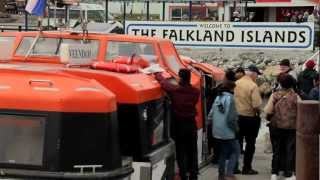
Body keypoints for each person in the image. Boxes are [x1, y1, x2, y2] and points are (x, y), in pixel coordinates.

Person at [155, 68, 200, 180]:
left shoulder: (175, 90)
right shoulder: (196, 92)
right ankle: (193, 176)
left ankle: (183, 176)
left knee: (181, 152)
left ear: (180, 78)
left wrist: (157, 74)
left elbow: (164, 83)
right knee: (192, 151)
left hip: (179, 126)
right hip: (191, 125)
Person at [264, 74, 300, 180]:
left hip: (276, 127)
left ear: (280, 84)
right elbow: (302, 110)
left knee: (277, 150)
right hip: (291, 127)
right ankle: (289, 173)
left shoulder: (275, 95)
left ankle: (274, 173)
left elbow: (268, 111)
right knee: (290, 150)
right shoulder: (296, 96)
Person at [208, 80, 240, 180]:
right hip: (228, 131)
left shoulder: (218, 97)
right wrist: (236, 129)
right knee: (236, 151)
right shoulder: (231, 99)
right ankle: (229, 174)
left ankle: (221, 175)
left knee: (223, 153)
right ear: (231, 89)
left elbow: (210, 115)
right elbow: (231, 119)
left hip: (217, 131)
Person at [234, 64, 262, 175]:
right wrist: (259, 113)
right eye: (257, 75)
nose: (257, 77)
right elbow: (256, 105)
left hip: (236, 117)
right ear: (253, 74)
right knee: (250, 144)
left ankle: (234, 167)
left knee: (236, 143)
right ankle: (247, 168)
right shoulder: (253, 86)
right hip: (249, 118)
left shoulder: (236, 83)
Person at [208, 69, 236, 165]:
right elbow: (232, 116)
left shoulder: (218, 97)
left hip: (217, 126)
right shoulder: (231, 98)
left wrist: (209, 120)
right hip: (227, 128)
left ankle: (216, 159)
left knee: (218, 143)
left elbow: (212, 112)